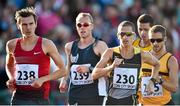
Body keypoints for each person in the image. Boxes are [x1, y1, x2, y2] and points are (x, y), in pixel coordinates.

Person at [5, 7, 66, 105]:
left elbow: (63, 70)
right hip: (19, 97)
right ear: (18, 25)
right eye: (24, 24)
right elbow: (9, 65)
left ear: (36, 24)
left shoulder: (46, 44)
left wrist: (42, 79)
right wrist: (11, 77)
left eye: (31, 24)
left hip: (40, 97)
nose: (28, 28)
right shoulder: (11, 45)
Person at [92, 21, 160, 105]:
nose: (125, 37)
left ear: (134, 36)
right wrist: (111, 67)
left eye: (128, 34)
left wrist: (152, 81)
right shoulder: (110, 52)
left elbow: (157, 64)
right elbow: (94, 75)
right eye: (122, 34)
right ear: (118, 36)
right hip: (112, 101)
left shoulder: (141, 54)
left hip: (131, 101)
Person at [59, 12, 108, 105]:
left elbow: (109, 71)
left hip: (94, 96)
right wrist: (64, 80)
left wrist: (90, 69)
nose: (82, 27)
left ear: (92, 26)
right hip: (74, 95)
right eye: (79, 25)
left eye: (86, 24)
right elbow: (68, 66)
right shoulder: (69, 46)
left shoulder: (100, 46)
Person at [138, 25, 179, 105]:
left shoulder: (171, 60)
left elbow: (174, 88)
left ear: (165, 39)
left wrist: (158, 80)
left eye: (159, 40)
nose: (155, 43)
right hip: (144, 103)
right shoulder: (143, 56)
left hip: (163, 103)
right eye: (152, 40)